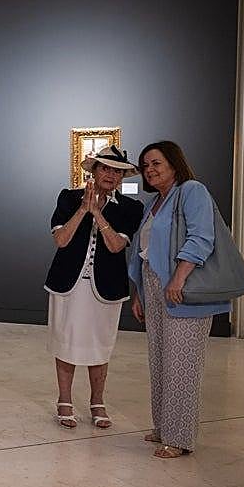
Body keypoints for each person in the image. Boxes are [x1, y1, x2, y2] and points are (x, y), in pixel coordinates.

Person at [129, 141, 230, 458]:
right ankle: (163, 428)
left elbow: (202, 236)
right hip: (153, 285)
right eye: (146, 165)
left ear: (174, 163)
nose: (150, 170)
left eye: (156, 163)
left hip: (180, 286)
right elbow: (144, 251)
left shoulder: (192, 190)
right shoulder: (155, 202)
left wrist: (180, 276)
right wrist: (139, 293)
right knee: (159, 359)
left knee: (182, 364)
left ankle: (180, 437)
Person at [45, 146, 143, 429]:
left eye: (117, 171)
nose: (111, 174)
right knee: (66, 341)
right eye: (105, 168)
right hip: (68, 284)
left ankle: (97, 402)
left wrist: (98, 214)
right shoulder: (68, 198)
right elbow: (61, 240)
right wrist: (83, 210)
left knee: (100, 345)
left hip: (107, 286)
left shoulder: (130, 208)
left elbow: (115, 245)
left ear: (122, 176)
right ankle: (65, 400)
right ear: (94, 171)